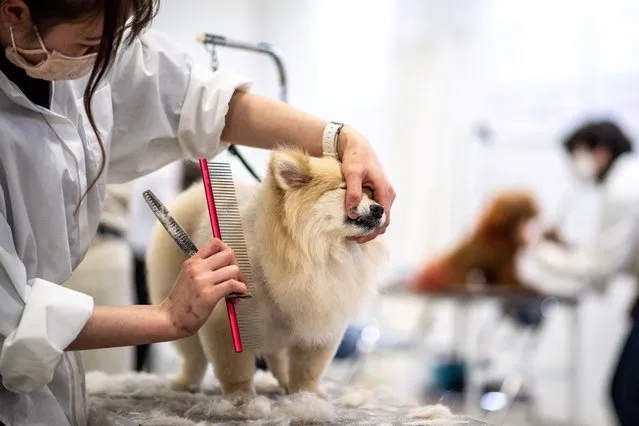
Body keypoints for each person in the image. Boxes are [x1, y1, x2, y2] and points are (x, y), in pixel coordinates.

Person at [0, 1, 396, 425]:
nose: (105, 62)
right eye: (91, 44)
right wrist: (164, 317)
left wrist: (341, 137)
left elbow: (201, 101)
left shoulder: (86, 47)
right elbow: (12, 321)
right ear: (16, 12)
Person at [527, 119, 639, 426]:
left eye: (578, 154)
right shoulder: (628, 179)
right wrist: (564, 248)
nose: (576, 165)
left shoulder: (622, 190)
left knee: (627, 397)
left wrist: (539, 249)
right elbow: (616, 254)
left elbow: (601, 267)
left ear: (600, 152)